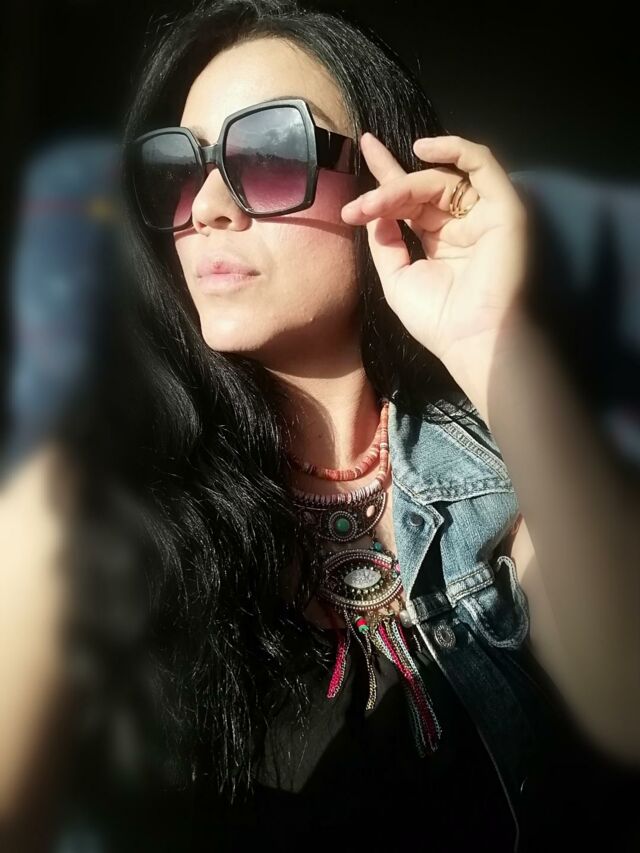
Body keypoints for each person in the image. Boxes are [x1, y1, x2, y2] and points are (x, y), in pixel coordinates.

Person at [1, 1, 638, 850]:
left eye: (268, 154)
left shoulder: (495, 460)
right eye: (179, 169)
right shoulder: (85, 495)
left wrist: (492, 339)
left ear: (387, 183)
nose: (206, 207)